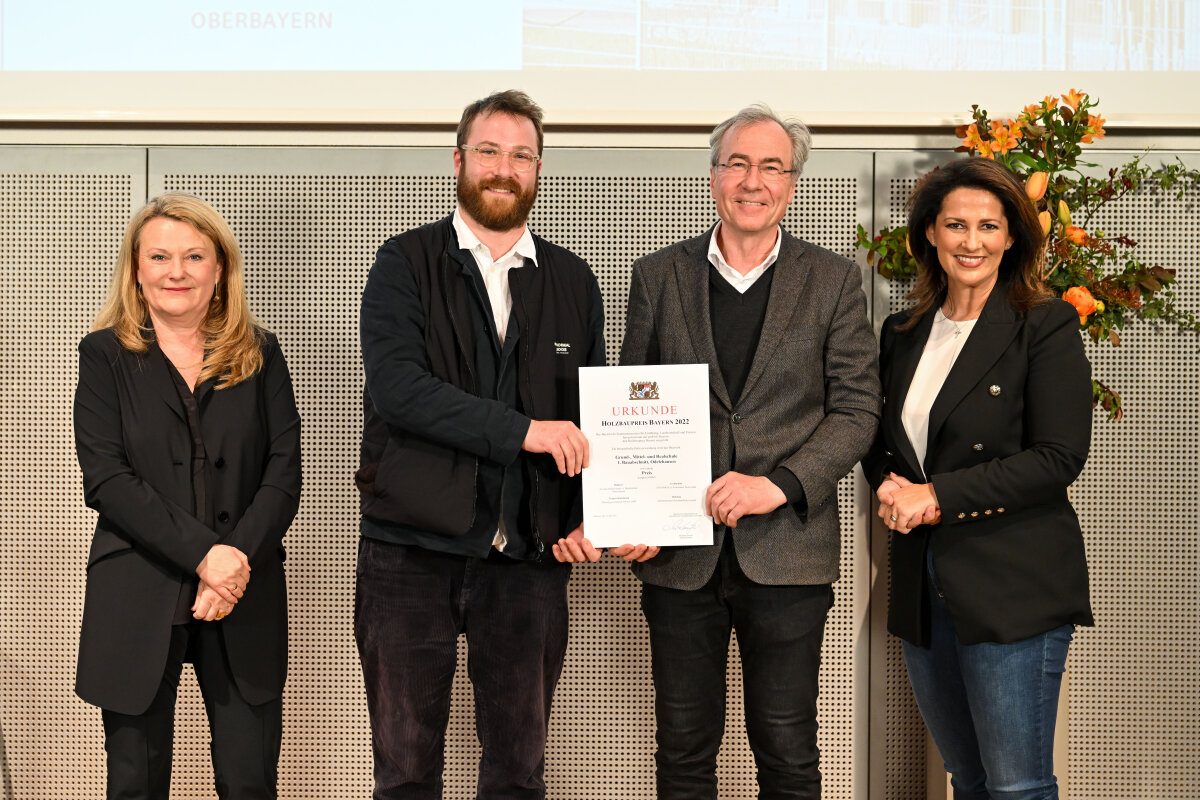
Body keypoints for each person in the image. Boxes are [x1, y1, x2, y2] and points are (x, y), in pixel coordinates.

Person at [612, 105, 881, 799]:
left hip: (787, 551)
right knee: (682, 752)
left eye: (770, 166)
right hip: (678, 559)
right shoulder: (657, 277)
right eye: (737, 163)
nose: (751, 180)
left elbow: (857, 410)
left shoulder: (831, 281)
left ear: (792, 185)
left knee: (788, 751)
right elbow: (629, 404)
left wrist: (781, 484)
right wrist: (631, 510)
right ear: (712, 178)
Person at [353, 89, 606, 800]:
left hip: (529, 558)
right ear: (460, 160)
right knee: (405, 771)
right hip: (409, 552)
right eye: (489, 151)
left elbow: (591, 412)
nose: (504, 168)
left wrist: (597, 514)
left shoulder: (571, 278)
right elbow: (400, 390)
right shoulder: (403, 263)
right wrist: (525, 431)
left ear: (538, 170)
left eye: (521, 155)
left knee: (518, 772)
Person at [861, 157, 1093, 799]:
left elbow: (1058, 456)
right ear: (929, 234)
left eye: (989, 226)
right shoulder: (902, 333)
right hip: (922, 583)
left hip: (1011, 581)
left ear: (1012, 236)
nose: (972, 241)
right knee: (968, 779)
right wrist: (887, 483)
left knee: (1016, 787)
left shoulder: (1044, 324)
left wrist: (936, 497)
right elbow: (884, 443)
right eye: (956, 224)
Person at [73, 192, 302, 799]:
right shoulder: (103, 357)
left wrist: (233, 561)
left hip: (242, 591)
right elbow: (108, 478)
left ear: (219, 268)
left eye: (195, 255)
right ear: (137, 269)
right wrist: (208, 556)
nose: (177, 271)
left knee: (249, 782)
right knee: (136, 784)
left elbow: (283, 475)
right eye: (161, 256)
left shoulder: (261, 353)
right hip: (138, 590)